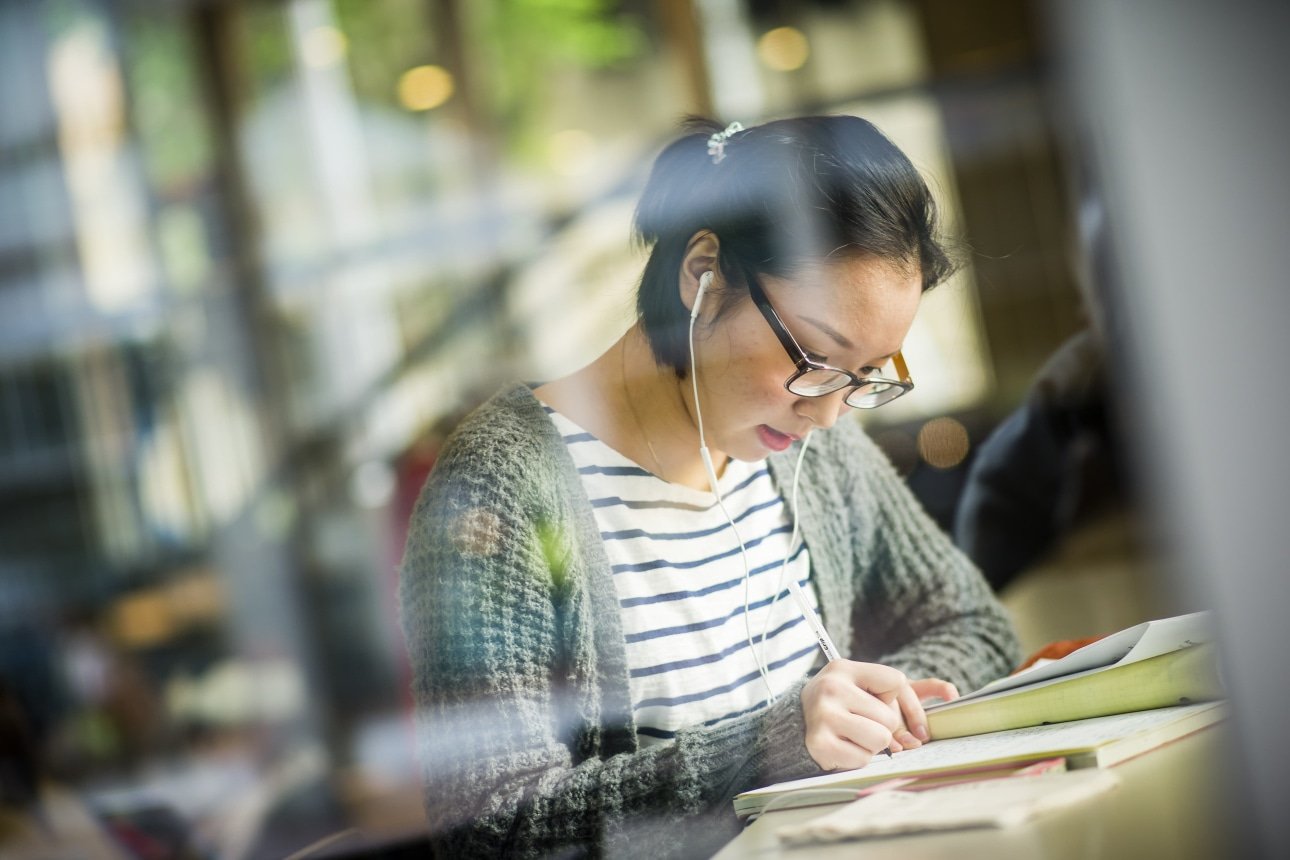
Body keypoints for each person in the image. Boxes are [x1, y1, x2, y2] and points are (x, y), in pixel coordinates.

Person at [399, 115, 1019, 858]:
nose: (826, 410)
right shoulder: (506, 487)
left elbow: (977, 627)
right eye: (816, 357)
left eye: (866, 375)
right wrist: (771, 747)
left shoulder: (810, 449)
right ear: (702, 274)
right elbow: (489, 829)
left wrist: (875, 712)